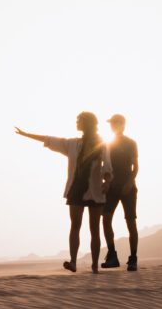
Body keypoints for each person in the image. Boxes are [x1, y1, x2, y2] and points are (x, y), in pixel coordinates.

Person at [15, 112, 113, 274]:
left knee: (94, 229)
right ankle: (73, 262)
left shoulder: (101, 144)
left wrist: (107, 182)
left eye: (79, 120)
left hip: (95, 191)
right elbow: (49, 139)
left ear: (86, 123)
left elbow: (107, 166)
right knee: (75, 226)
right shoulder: (72, 144)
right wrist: (26, 134)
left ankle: (95, 266)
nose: (76, 122)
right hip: (76, 190)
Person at [101, 113, 139, 271]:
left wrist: (129, 183)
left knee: (130, 221)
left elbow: (135, 166)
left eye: (115, 123)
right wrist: (105, 182)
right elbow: (104, 166)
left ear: (122, 124)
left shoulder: (130, 143)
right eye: (111, 123)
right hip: (111, 188)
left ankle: (133, 259)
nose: (112, 125)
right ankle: (112, 256)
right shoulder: (107, 144)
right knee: (106, 219)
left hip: (128, 188)